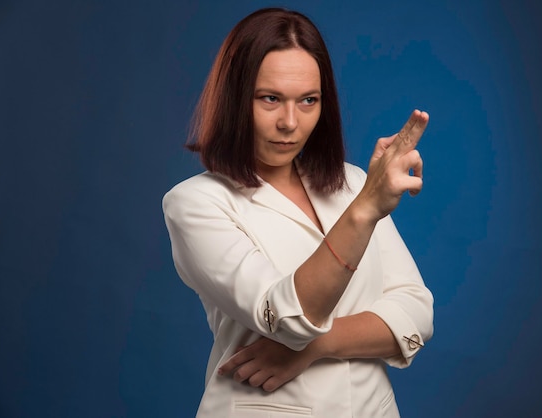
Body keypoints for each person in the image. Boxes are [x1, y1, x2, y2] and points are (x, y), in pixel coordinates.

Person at [163, 7, 434, 418]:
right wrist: (364, 211)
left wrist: (314, 348)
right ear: (235, 99)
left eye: (308, 100)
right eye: (270, 99)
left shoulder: (353, 182)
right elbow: (289, 317)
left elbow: (415, 311)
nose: (290, 122)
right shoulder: (196, 204)